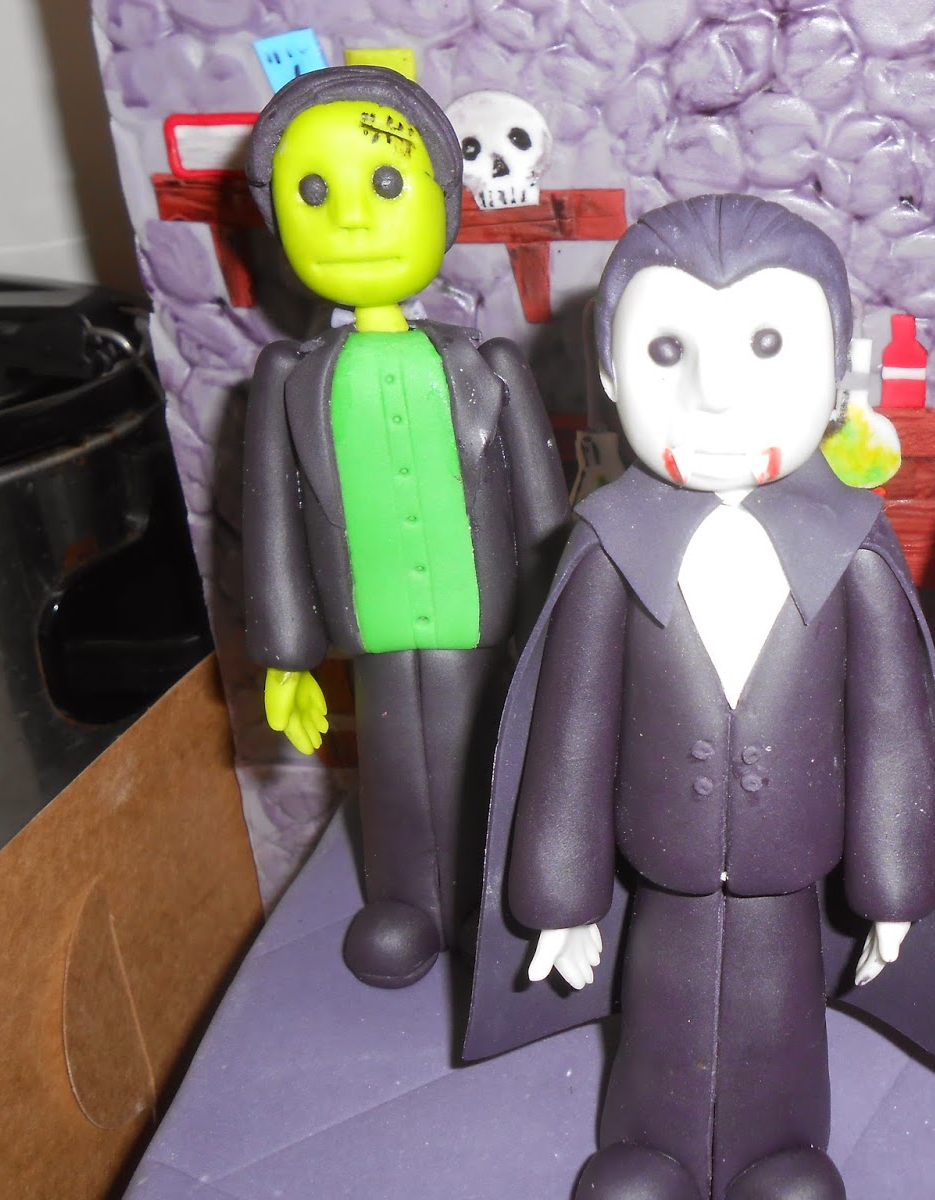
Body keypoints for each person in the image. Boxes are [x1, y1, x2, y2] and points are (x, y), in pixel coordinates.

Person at [466, 194, 935, 1200]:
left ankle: (780, 1149)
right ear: (611, 373)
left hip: (792, 862)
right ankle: (649, 1144)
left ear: (839, 371)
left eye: (767, 346)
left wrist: (895, 892)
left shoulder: (852, 546)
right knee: (661, 1007)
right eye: (668, 352)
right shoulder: (606, 547)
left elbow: (895, 734)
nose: (717, 395)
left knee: (782, 1013)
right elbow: (569, 732)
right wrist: (560, 898)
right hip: (664, 860)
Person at [242, 66, 569, 988]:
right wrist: (286, 655)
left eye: (385, 184)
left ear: (444, 203)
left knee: (487, 760)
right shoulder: (288, 380)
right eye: (315, 192)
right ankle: (406, 902)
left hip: (481, 628)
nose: (351, 217)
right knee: (389, 772)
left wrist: (563, 631)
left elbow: (544, 515)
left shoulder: (490, 366)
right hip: (374, 631)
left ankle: (487, 898)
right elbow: (272, 520)